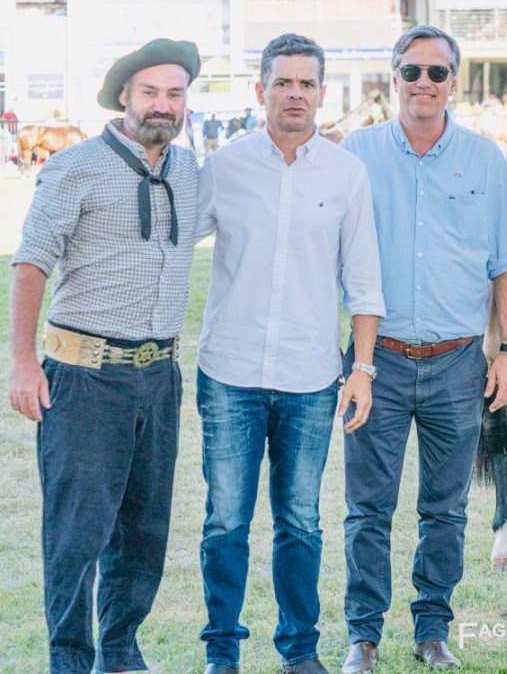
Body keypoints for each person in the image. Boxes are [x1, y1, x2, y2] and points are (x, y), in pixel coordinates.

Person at [8, 38, 201, 674]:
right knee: (76, 535)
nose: (162, 104)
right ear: (124, 97)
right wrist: (23, 362)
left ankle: (120, 653)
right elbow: (32, 261)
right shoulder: (76, 167)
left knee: (144, 533)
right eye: (150, 92)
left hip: (160, 377)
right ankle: (70, 659)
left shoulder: (190, 172)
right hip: (84, 377)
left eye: (174, 93)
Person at [194, 33, 386, 674]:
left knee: (300, 521)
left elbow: (364, 283)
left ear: (322, 93)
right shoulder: (222, 167)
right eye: (283, 82)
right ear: (261, 91)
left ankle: (299, 652)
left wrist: (361, 369)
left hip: (310, 377)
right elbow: (166, 241)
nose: (295, 93)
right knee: (225, 520)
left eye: (307, 83)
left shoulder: (347, 174)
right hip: (229, 372)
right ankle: (222, 652)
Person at [339, 25, 507, 673]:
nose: (424, 83)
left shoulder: (484, 158)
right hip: (377, 361)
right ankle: (362, 634)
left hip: (456, 361)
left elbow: (506, 262)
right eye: (412, 71)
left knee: (445, 508)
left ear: (455, 81)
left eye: (437, 73)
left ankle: (432, 629)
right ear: (393, 77)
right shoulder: (355, 154)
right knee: (368, 507)